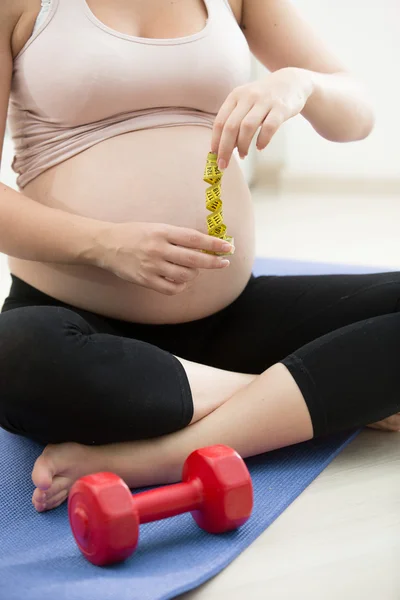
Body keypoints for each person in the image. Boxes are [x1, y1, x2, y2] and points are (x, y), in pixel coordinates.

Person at [0, 0, 397, 514]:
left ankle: (162, 456)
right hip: (79, 326)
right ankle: (309, 392)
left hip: (230, 321)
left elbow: (356, 116)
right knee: (16, 360)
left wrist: (300, 83)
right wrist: (104, 244)